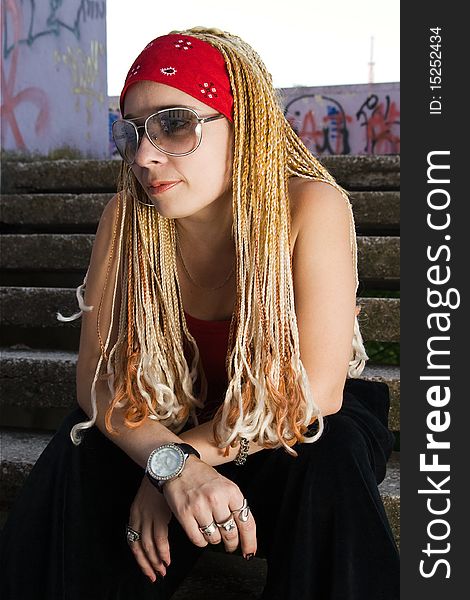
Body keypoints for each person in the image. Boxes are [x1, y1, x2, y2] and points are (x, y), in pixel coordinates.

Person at [0, 27, 399, 600]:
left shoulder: (310, 206)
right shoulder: (127, 218)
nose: (144, 155)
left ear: (245, 124)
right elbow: (96, 383)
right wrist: (165, 462)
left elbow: (314, 392)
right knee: (83, 445)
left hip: (280, 422)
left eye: (174, 124)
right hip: (165, 408)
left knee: (329, 450)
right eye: (131, 132)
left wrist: (175, 463)